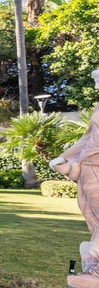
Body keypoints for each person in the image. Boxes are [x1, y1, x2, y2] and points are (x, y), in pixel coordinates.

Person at [51, 68, 99, 274]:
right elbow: (87, 137)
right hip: (88, 164)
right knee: (89, 212)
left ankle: (96, 258)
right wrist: (64, 157)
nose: (96, 87)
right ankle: (95, 260)